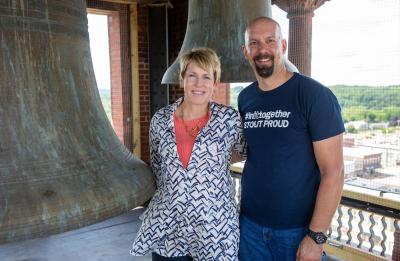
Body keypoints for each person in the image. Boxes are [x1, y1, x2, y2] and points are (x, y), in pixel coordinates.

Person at [238, 17, 345, 261]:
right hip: (250, 228)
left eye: (270, 41)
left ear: (283, 46)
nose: (262, 50)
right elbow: (252, 150)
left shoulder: (313, 95)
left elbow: (334, 172)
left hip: (296, 232)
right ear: (245, 51)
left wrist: (316, 236)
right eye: (254, 43)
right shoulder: (246, 98)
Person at [130, 47, 245, 260]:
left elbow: (243, 151)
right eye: (192, 75)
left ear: (215, 83)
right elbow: (157, 166)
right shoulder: (160, 120)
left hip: (214, 227)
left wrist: (212, 162)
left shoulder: (229, 120)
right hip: (168, 225)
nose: (199, 83)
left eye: (206, 77)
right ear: (182, 80)